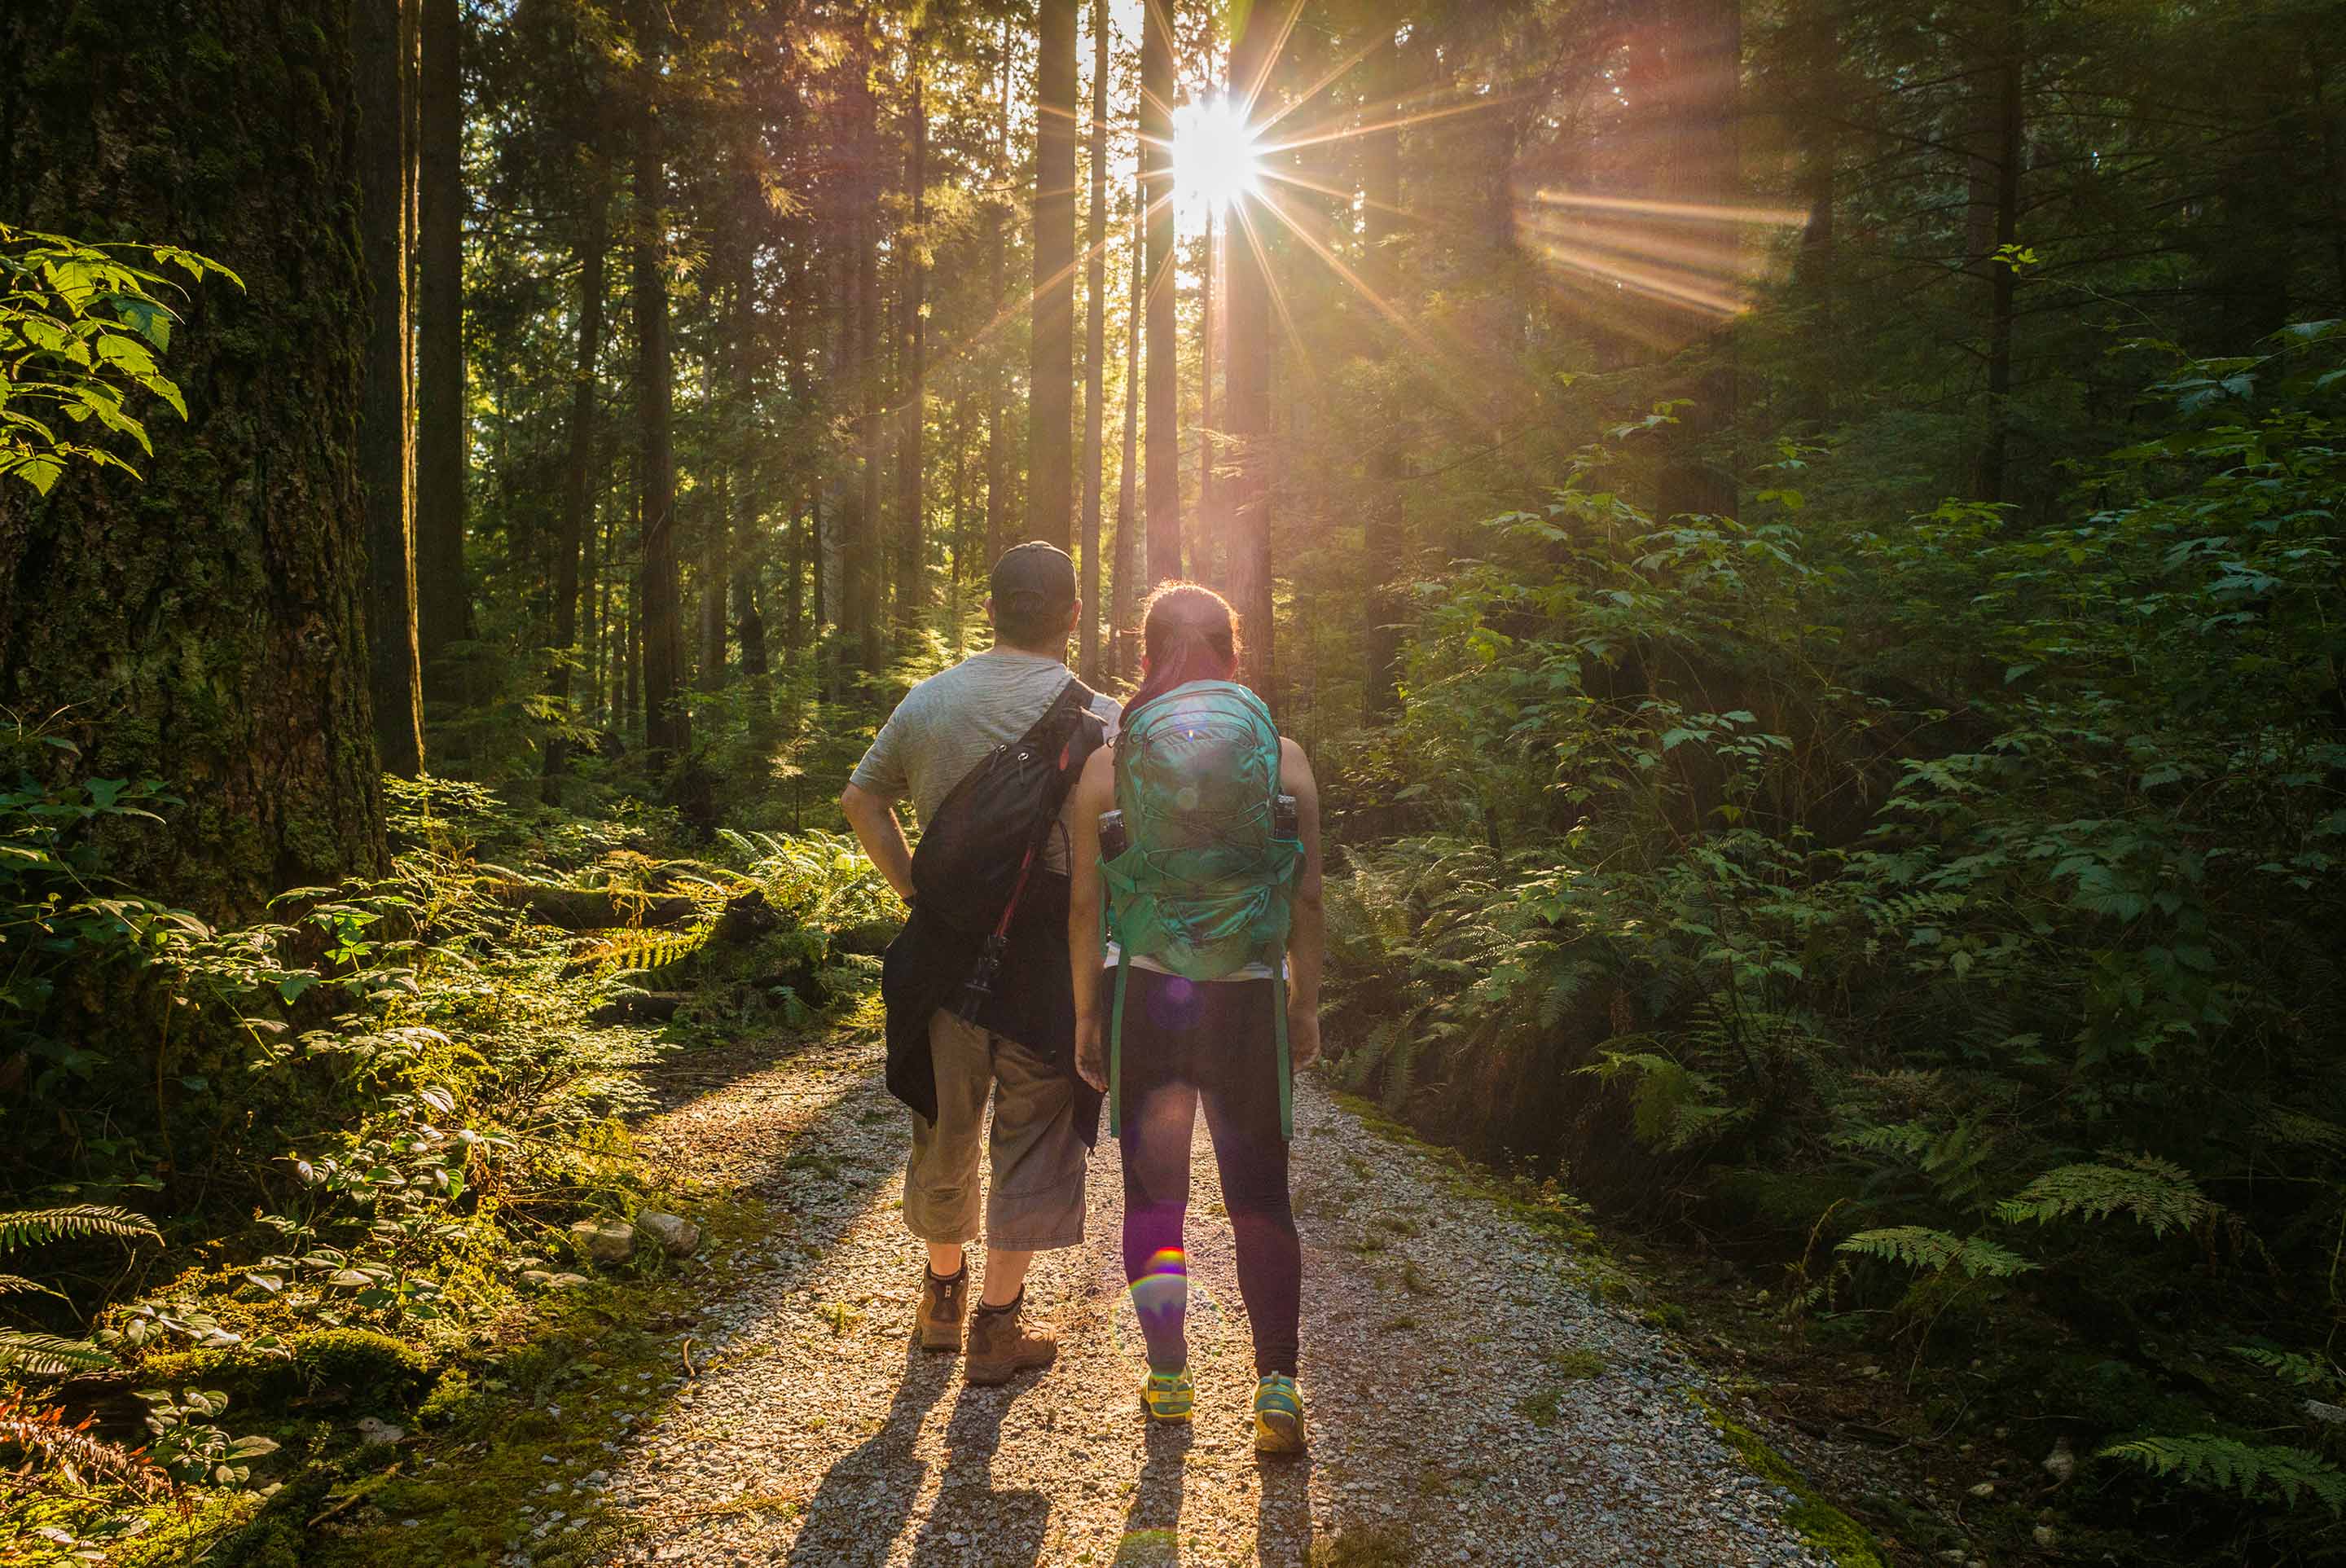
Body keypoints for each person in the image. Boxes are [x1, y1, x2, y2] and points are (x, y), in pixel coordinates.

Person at [841, 542, 1121, 1386]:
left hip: (946, 948)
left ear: (990, 610)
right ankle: (997, 1328)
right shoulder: (1106, 717)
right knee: (1035, 1130)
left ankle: (941, 1296)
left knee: (945, 1124)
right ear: (1074, 615)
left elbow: (863, 797)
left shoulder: (929, 701)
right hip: (1050, 956)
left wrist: (916, 890)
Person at [1065, 582, 1325, 1456]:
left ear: (1146, 656)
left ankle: (1171, 1379)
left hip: (1150, 994)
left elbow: (1083, 906)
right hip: (1250, 995)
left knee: (1154, 1196)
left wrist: (1087, 1017)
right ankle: (1278, 1384)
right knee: (1259, 1195)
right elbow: (1311, 893)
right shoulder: (1282, 755)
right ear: (1233, 652)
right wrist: (1306, 1000)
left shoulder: (1110, 762)